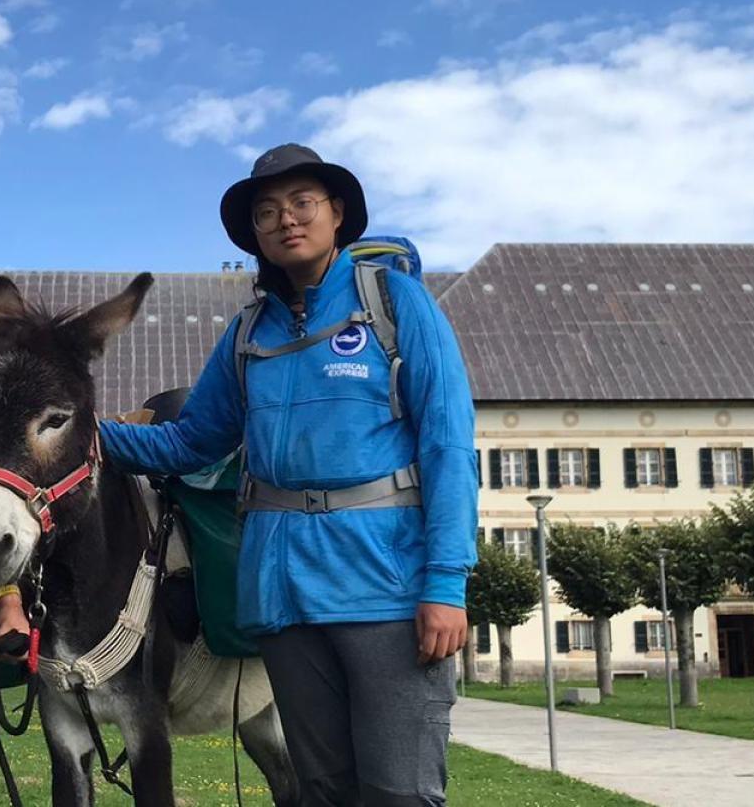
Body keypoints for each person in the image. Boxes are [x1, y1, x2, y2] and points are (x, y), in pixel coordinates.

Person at [98, 144, 478, 807]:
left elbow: (449, 445)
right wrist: (76, 431)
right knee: (318, 791)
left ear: (337, 213)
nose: (285, 220)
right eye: (267, 212)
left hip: (385, 592)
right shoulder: (248, 333)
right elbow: (190, 441)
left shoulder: (397, 304)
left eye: (302, 203)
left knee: (399, 792)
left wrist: (446, 584)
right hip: (282, 597)